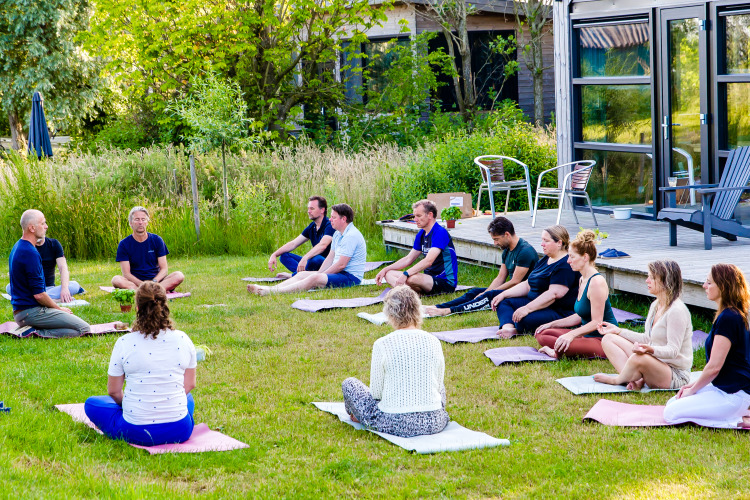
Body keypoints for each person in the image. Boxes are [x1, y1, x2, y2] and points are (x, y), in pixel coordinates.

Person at [84, 281, 197, 446]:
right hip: (180, 430)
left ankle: (129, 418)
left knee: (92, 404)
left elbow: (114, 391)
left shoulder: (124, 342)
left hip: (136, 431)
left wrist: (130, 406)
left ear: (137, 309)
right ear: (165, 306)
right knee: (188, 399)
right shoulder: (183, 339)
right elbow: (190, 384)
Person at [342, 285, 449, 437]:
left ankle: (356, 414)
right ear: (418, 310)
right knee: (440, 385)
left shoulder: (382, 344)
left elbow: (376, 393)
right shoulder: (433, 341)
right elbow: (438, 387)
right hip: (434, 421)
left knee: (349, 384)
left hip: (393, 422)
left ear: (390, 314)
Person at [663, 263, 750, 428]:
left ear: (723, 286)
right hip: (724, 388)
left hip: (733, 395)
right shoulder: (729, 314)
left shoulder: (729, 318)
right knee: (673, 401)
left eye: (709, 283)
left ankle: (739, 420)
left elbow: (714, 367)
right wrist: (693, 386)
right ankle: (737, 414)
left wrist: (693, 390)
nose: (704, 286)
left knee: (671, 413)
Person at [594, 260, 693, 391]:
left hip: (674, 374)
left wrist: (649, 350)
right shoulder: (656, 305)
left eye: (652, 278)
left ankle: (618, 380)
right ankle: (634, 380)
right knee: (609, 339)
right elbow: (647, 338)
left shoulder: (677, 311)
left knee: (639, 357)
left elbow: (673, 351)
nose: (647, 281)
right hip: (654, 361)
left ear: (665, 281)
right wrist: (618, 331)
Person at [424, 216, 536, 317]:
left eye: (496, 239)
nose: (495, 243)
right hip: (512, 290)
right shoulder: (507, 250)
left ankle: (448, 311)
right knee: (475, 292)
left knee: (486, 297)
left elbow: (515, 282)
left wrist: (488, 293)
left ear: (507, 234)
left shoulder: (524, 251)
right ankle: (438, 307)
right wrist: (487, 291)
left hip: (524, 294)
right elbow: (500, 277)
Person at [247, 203, 366, 295]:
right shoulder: (337, 234)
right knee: (303, 274)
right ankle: (271, 288)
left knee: (314, 277)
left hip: (350, 277)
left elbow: (341, 265)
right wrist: (320, 273)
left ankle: (270, 292)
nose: (330, 219)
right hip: (340, 273)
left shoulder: (351, 236)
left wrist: (320, 275)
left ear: (343, 219)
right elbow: (330, 257)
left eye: (334, 217)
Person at [535, 230, 618, 359]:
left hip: (603, 339)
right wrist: (551, 324)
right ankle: (564, 347)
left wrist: (572, 334)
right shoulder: (582, 279)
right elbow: (580, 316)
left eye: (572, 257)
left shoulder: (596, 282)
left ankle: (555, 352)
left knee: (563, 344)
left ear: (585, 257)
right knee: (543, 333)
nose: (568, 261)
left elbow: (597, 322)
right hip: (586, 336)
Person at [8, 210, 90, 338]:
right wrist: (59, 309)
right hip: (31, 312)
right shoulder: (30, 252)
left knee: (73, 325)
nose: (46, 226)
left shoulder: (18, 246)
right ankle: (35, 333)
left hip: (23, 312)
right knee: (84, 329)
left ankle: (34, 328)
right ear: (32, 228)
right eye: (43, 223)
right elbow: (39, 295)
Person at [490, 225, 579, 338]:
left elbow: (554, 294)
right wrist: (503, 294)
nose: (542, 244)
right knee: (503, 302)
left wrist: (527, 309)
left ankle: (517, 329)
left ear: (559, 243)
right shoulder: (546, 259)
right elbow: (528, 284)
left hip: (557, 310)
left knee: (523, 319)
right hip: (536, 303)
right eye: (542, 240)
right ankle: (508, 328)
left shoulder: (565, 264)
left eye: (546, 241)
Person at [375, 200, 458, 295]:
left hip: (445, 282)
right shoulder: (421, 233)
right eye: (414, 216)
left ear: (430, 215)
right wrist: (385, 269)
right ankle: (408, 293)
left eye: (418, 216)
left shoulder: (440, 232)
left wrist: (406, 274)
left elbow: (428, 261)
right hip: (428, 280)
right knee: (389, 274)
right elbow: (408, 259)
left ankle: (405, 292)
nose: (415, 219)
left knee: (412, 278)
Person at [112, 206, 184, 291]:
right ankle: (152, 292)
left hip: (156, 281)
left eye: (143, 219)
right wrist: (142, 284)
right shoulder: (124, 244)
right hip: (135, 283)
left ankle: (146, 292)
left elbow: (164, 269)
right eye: (137, 219)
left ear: (147, 222)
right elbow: (126, 274)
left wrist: (154, 282)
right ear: (131, 223)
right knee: (116, 280)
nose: (140, 222)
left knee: (179, 275)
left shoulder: (157, 240)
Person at [267, 196, 335, 278]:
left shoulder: (330, 225)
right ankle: (304, 275)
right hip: (311, 263)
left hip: (326, 263)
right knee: (284, 256)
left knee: (315, 259)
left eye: (312, 208)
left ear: (322, 210)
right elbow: (293, 243)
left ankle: (295, 276)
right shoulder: (312, 227)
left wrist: (305, 257)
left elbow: (322, 246)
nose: (308, 211)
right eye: (308, 208)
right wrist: (274, 254)